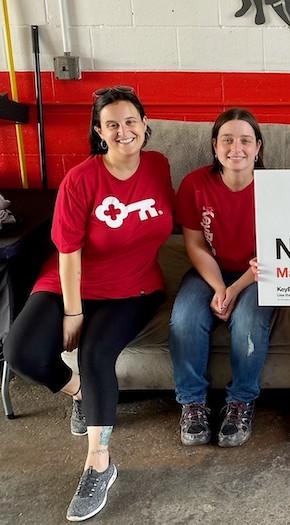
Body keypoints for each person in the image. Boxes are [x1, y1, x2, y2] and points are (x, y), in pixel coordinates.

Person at [4, 86, 173, 521]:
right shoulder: (81, 179)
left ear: (145, 125)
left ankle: (99, 461)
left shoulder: (158, 166)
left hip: (134, 287)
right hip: (68, 283)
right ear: (99, 132)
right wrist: (74, 310)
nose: (123, 131)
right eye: (112, 124)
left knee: (96, 354)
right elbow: (68, 253)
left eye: (131, 121)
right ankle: (79, 394)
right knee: (21, 351)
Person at [169, 108, 275, 448]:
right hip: (209, 269)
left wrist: (234, 289)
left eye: (245, 140)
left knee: (246, 321)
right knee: (184, 319)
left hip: (260, 274)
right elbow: (196, 245)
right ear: (215, 146)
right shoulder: (195, 184)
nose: (236, 148)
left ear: (258, 147)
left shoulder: (276, 188)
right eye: (227, 140)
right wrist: (218, 287)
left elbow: (273, 255)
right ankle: (193, 403)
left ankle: (241, 401)